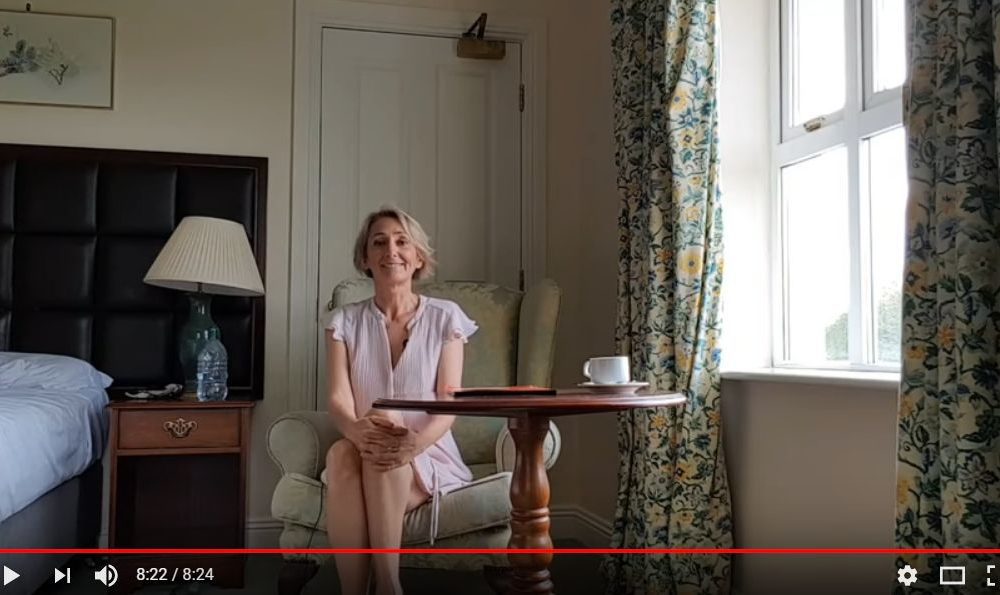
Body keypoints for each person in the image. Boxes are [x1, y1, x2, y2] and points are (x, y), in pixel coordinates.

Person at [324, 206, 477, 595]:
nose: (391, 250)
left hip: (429, 453)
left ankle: (388, 585)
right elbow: (339, 398)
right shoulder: (343, 321)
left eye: (402, 241)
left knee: (387, 417)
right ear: (365, 258)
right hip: (363, 446)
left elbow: (450, 400)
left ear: (418, 257)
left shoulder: (446, 318)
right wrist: (355, 432)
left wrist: (415, 444)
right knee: (341, 454)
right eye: (379, 242)